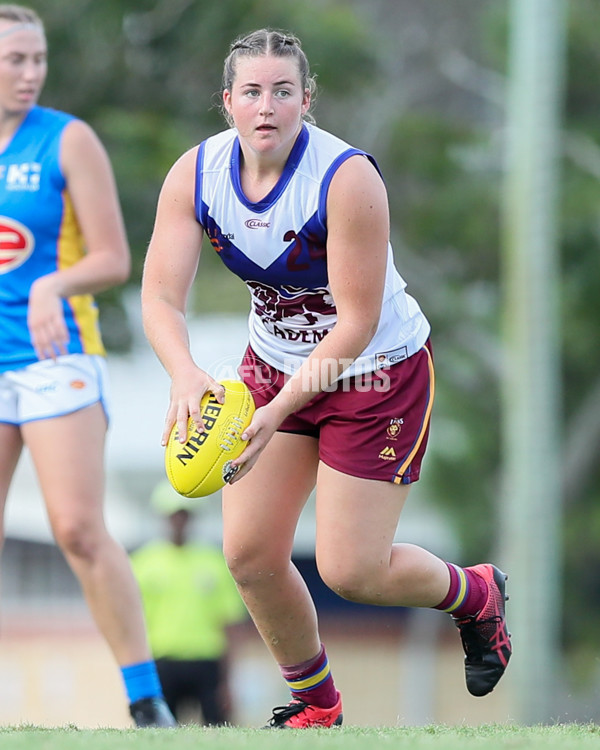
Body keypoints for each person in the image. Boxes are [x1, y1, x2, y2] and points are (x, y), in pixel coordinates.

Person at [141, 28, 512, 729]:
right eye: (251, 91)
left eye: (283, 90)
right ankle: (319, 706)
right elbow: (160, 297)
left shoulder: (345, 179)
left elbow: (356, 324)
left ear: (307, 99)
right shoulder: (196, 175)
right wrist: (184, 374)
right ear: (227, 102)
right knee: (249, 556)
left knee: (352, 571)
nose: (267, 106)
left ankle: (477, 595)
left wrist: (277, 411)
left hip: (376, 375)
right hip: (273, 363)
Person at [0, 5, 175, 728]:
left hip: (54, 357)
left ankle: (144, 698)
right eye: (15, 60)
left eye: (38, 59)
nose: (30, 73)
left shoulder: (68, 140)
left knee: (76, 527)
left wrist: (52, 284)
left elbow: (113, 258)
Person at [130, 480, 248, 725]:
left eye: (184, 515)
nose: (179, 521)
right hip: (162, 661)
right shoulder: (143, 563)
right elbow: (132, 624)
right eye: (174, 515)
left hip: (207, 661)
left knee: (218, 730)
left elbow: (230, 623)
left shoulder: (214, 561)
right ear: (164, 517)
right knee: (160, 735)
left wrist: (229, 680)